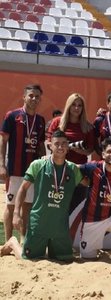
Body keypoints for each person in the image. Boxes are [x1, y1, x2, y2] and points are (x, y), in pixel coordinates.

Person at [0, 130, 83, 261]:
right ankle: (12, 243)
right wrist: (16, 213)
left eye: (63, 144)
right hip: (39, 224)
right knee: (26, 259)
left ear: (68, 146)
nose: (60, 147)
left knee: (65, 260)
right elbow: (22, 189)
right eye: (57, 144)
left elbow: (89, 183)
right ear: (50, 146)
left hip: (60, 226)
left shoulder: (73, 169)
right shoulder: (38, 165)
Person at [0, 84, 46, 242]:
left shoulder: (40, 120)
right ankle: (7, 241)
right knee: (11, 206)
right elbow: (3, 140)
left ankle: (22, 240)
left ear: (40, 99)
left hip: (32, 172)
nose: (34, 99)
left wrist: (43, 166)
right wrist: (1, 164)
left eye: (37, 96)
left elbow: (40, 146)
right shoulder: (12, 116)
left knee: (27, 206)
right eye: (31, 95)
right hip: (15, 170)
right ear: (24, 97)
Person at [47, 93, 95, 213]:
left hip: (78, 170)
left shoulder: (87, 126)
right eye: (73, 104)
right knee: (56, 204)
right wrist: (62, 147)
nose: (76, 108)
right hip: (58, 168)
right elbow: (49, 143)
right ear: (68, 105)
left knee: (75, 206)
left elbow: (90, 149)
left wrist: (80, 151)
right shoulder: (57, 122)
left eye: (80, 105)